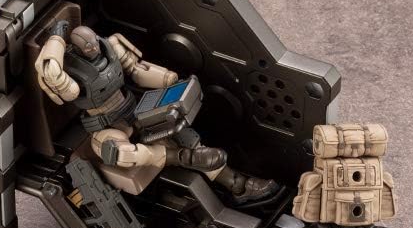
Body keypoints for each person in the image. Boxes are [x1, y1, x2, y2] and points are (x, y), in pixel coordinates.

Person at [36, 21, 279, 204]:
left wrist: (169, 80)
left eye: (93, 44)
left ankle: (238, 186)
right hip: (106, 127)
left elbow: (138, 70)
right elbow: (51, 72)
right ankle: (179, 157)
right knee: (121, 154)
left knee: (186, 135)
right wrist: (56, 38)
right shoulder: (71, 70)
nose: (92, 48)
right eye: (86, 47)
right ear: (78, 50)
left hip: (135, 111)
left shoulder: (110, 47)